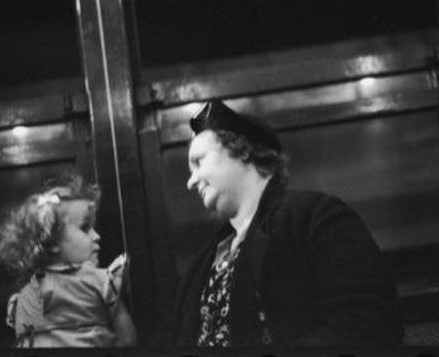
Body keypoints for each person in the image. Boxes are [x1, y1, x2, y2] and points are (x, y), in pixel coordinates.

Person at [172, 100, 403, 347]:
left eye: (199, 162)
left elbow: (370, 317)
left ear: (242, 149)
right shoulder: (205, 259)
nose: (191, 182)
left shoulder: (313, 216)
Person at [0, 174, 137, 347]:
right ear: (51, 241)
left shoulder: (26, 296)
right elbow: (128, 339)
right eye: (85, 228)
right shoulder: (100, 282)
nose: (96, 236)